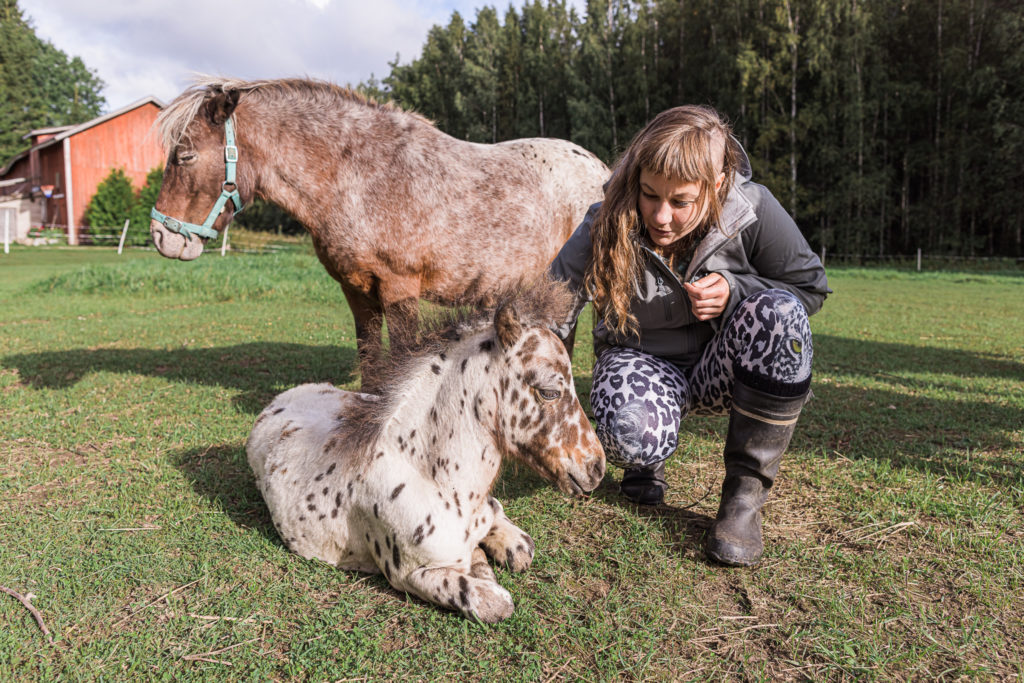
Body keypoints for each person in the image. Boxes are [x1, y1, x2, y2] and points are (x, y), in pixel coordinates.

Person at [549, 105, 830, 567]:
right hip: (641, 363)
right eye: (649, 195)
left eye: (681, 202)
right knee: (627, 434)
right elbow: (553, 305)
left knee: (781, 314)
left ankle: (743, 499)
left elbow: (810, 287)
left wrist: (738, 290)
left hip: (722, 367)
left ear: (717, 185)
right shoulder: (604, 219)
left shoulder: (754, 208)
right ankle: (645, 462)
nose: (661, 216)